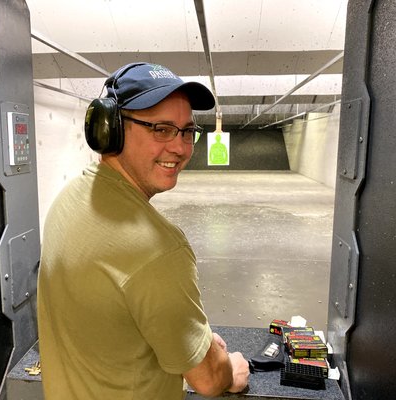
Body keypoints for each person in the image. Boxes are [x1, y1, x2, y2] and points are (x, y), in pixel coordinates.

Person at [37, 62, 250, 399]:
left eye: (187, 131)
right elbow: (208, 380)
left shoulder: (69, 198)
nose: (180, 148)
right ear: (112, 129)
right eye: (161, 129)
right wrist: (229, 369)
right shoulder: (158, 250)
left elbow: (113, 320)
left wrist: (196, 340)